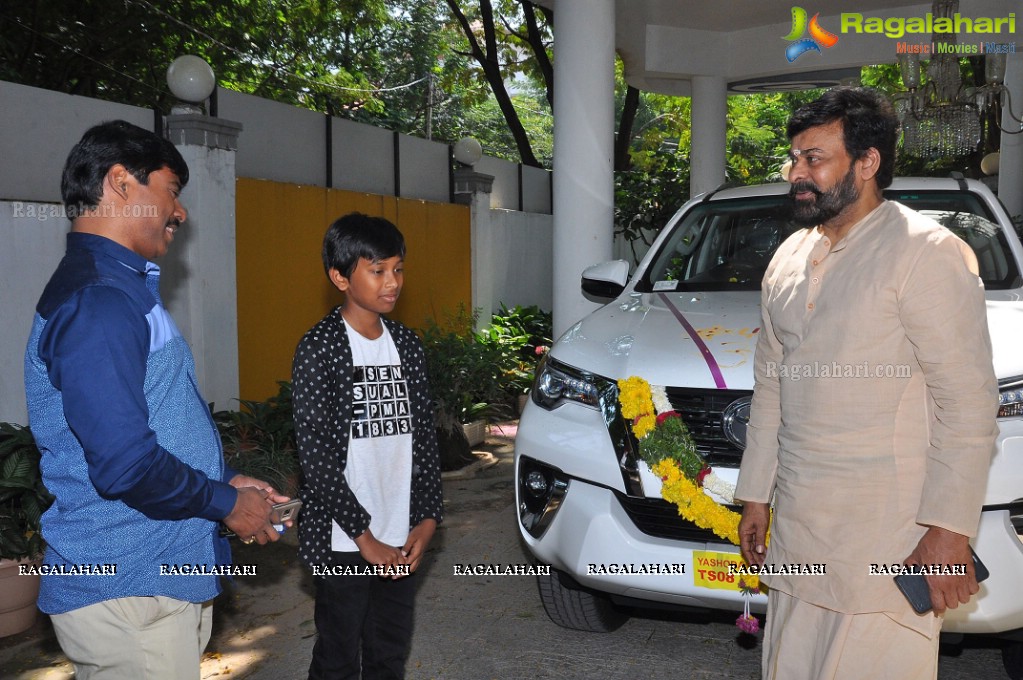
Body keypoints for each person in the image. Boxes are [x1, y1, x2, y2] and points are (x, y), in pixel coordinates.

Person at [734, 87, 998, 679]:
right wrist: (755, 494)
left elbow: (967, 404)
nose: (796, 174)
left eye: (815, 159)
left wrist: (948, 531)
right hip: (801, 531)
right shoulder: (789, 257)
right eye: (794, 158)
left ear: (867, 161)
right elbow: (770, 387)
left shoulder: (924, 252)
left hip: (888, 536)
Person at [23, 120, 288, 680]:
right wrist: (226, 504)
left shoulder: (122, 289)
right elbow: (124, 464)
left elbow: (152, 425)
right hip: (130, 587)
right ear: (121, 183)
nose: (180, 211)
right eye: (172, 190)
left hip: (151, 585)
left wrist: (228, 478)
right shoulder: (98, 300)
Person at [292, 212, 443, 680]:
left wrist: (428, 516)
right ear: (340, 276)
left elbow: (424, 443)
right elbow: (314, 459)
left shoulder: (408, 346)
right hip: (343, 540)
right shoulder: (320, 349)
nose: (392, 282)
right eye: (377, 271)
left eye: (397, 269)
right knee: (338, 655)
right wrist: (364, 537)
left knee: (388, 652)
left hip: (399, 534)